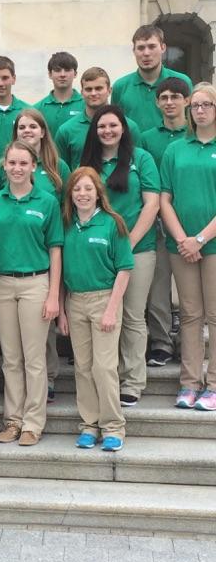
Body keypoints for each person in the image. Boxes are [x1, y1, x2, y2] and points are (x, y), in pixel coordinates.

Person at [80, 105, 160, 406]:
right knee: (103, 314)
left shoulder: (142, 159)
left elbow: (151, 204)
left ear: (124, 128)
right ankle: (105, 377)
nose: (108, 131)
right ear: (94, 130)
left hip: (137, 249)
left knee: (132, 315)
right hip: (96, 253)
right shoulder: (89, 162)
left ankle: (133, 380)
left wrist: (128, 242)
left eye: (113, 125)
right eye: (101, 127)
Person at [0, 141, 63, 446]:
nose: (17, 169)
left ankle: (33, 422)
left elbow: (55, 249)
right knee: (10, 357)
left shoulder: (46, 202)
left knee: (34, 358)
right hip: (2, 284)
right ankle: (12, 420)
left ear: (34, 167)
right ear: (4, 166)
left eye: (23, 163)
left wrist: (53, 294)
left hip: (36, 283)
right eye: (12, 163)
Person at [58, 167, 134, 451]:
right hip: (75, 300)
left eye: (88, 188)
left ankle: (113, 426)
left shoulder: (113, 224)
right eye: (77, 189)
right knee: (83, 367)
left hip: (104, 299)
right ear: (71, 195)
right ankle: (89, 424)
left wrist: (111, 310)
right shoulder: (66, 225)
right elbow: (61, 269)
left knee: (104, 367)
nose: (82, 194)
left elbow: (124, 269)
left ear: (98, 192)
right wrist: (63, 312)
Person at [160, 82, 216, 410]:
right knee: (191, 315)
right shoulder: (175, 149)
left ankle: (213, 386)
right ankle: (189, 384)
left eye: (206, 104)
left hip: (211, 245)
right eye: (195, 105)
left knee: (215, 314)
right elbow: (164, 198)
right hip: (180, 246)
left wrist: (200, 238)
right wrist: (183, 239)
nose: (200, 110)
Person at [10, 108, 70, 401]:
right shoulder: (8, 167)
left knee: (46, 320)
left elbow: (70, 207)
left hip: (52, 247)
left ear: (43, 131)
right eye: (22, 127)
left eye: (33, 126)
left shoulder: (59, 167)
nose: (27, 131)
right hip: (18, 251)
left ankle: (48, 378)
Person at [139, 77, 191, 367]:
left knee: (188, 289)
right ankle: (160, 342)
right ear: (157, 103)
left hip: (188, 221)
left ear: (186, 100)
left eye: (175, 97)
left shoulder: (196, 135)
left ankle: (187, 339)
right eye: (164, 97)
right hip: (156, 219)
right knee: (158, 286)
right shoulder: (148, 137)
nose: (170, 102)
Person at [54, 67, 141, 170]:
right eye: (88, 89)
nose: (93, 93)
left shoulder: (129, 127)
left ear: (109, 90)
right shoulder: (66, 130)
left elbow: (139, 164)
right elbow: (61, 172)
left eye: (99, 88)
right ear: (82, 92)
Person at [112, 24, 192, 133]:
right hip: (133, 149)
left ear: (163, 48)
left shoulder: (183, 81)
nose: (146, 53)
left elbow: (193, 122)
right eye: (141, 48)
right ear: (134, 51)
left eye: (152, 47)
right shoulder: (120, 86)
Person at [34, 51, 85, 138]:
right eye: (57, 70)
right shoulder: (37, 109)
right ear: (50, 74)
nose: (62, 75)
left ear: (75, 74)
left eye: (67, 70)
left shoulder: (86, 105)